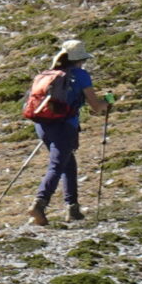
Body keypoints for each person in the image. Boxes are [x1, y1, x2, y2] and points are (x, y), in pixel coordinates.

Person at [26, 41, 110, 226]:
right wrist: (107, 102)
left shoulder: (48, 74)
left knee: (68, 163)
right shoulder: (80, 75)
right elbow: (96, 107)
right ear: (79, 59)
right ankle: (39, 204)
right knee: (57, 165)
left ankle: (72, 208)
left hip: (43, 124)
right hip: (64, 125)